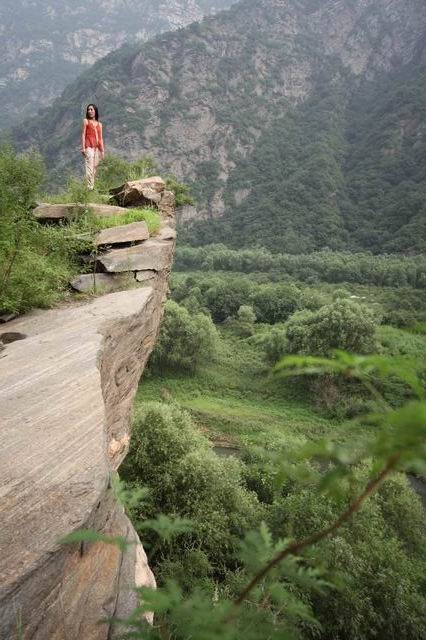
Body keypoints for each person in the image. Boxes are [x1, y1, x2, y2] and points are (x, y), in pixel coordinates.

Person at [81, 104, 104, 190]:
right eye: (88, 110)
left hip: (97, 148)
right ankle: (89, 187)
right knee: (89, 167)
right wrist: (83, 147)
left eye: (91, 109)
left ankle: (92, 187)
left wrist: (102, 151)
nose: (90, 111)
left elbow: (101, 138)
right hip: (89, 146)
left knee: (95, 168)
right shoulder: (86, 121)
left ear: (95, 111)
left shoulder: (99, 124)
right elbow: (83, 134)